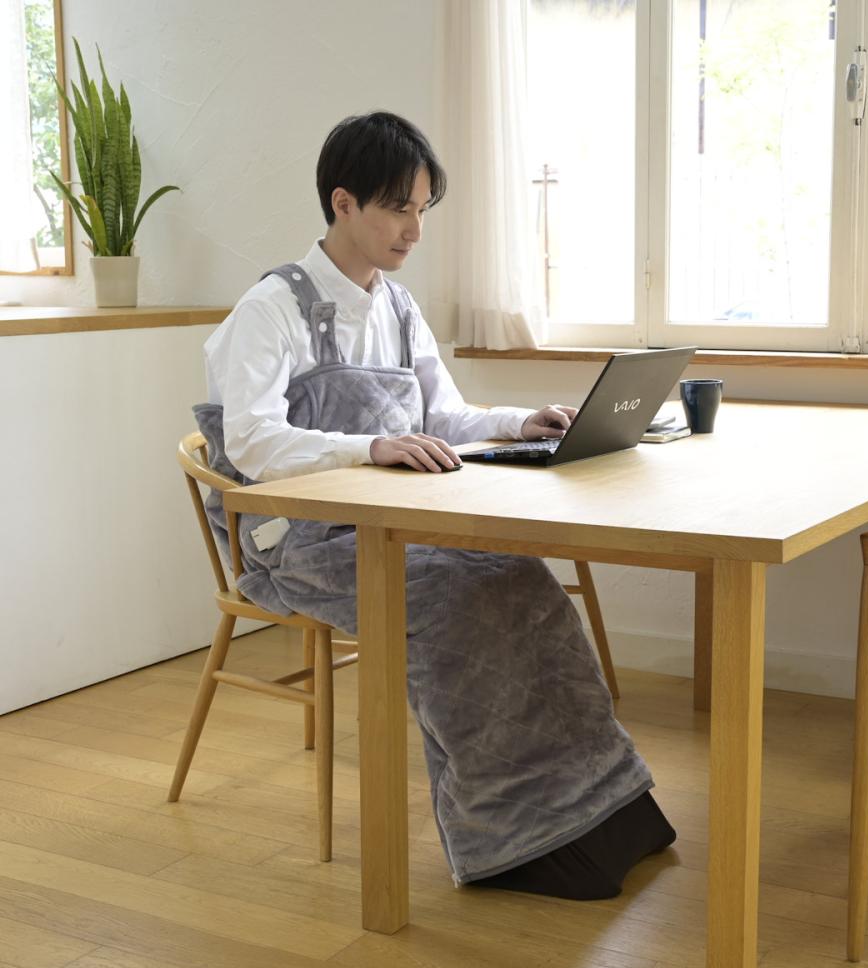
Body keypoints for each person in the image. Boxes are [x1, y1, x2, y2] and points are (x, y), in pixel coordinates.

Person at [197, 111, 675, 898]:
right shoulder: (270, 309)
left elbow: (443, 416)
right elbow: (251, 442)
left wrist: (519, 422)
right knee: (457, 598)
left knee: (519, 577)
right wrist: (371, 446)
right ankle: (507, 836)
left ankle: (604, 806)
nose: (414, 230)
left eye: (422, 209)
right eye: (398, 208)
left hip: (396, 522)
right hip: (302, 543)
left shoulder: (396, 306)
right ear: (343, 203)